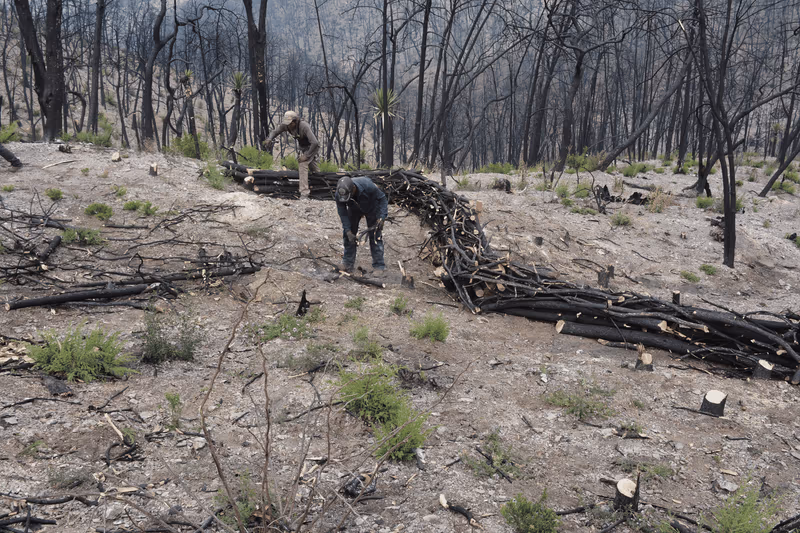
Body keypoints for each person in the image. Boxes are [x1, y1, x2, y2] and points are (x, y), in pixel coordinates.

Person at [335, 176, 388, 274]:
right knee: (348, 235)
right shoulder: (339, 194)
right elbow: (342, 213)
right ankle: (347, 263)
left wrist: (382, 217)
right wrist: (348, 230)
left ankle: (379, 266)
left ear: (353, 189)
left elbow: (382, 199)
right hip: (354, 209)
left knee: (375, 235)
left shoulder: (368, 185)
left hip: (372, 207)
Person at [264, 110, 319, 197]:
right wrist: (269, 138)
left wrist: (306, 155)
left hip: (312, 147)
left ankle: (304, 193)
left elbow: (315, 143)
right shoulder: (287, 126)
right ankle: (321, 182)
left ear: (295, 121)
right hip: (303, 147)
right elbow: (275, 131)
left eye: (290, 123)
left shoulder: (304, 126)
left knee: (302, 163)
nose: (288, 125)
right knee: (314, 169)